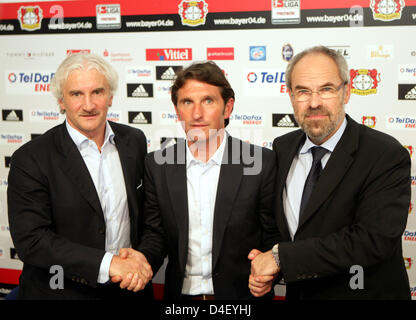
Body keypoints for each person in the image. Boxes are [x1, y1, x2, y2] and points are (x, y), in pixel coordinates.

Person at [248, 45, 411, 300]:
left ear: (346, 92)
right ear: (290, 95)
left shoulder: (385, 154)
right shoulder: (282, 148)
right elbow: (289, 230)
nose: (314, 103)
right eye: (303, 91)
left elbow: (371, 240)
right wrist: (267, 270)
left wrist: (281, 259)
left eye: (326, 89)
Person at [120, 61, 279, 300]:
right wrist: (141, 259)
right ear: (177, 110)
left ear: (227, 108)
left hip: (243, 299)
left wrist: (269, 272)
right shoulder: (157, 165)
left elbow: (274, 237)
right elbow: (156, 234)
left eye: (208, 101)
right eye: (187, 102)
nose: (197, 114)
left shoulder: (260, 163)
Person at [7, 53, 152, 299]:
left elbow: (147, 215)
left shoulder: (133, 141)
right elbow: (32, 241)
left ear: (111, 97)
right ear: (61, 100)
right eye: (76, 94)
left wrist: (140, 262)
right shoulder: (31, 158)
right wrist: (108, 264)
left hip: (129, 290)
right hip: (61, 292)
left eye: (97, 92)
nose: (88, 105)